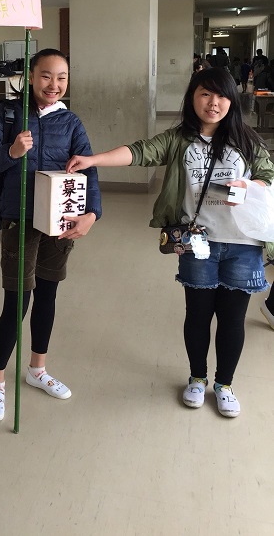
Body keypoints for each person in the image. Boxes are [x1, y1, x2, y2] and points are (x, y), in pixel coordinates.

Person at [66, 67, 274, 418]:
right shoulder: (179, 139)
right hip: (198, 242)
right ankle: (197, 378)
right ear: (192, 97)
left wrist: (249, 186)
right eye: (205, 93)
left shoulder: (246, 139)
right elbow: (140, 152)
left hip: (242, 245)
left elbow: (268, 175)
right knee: (198, 315)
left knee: (232, 319)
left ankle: (224, 385)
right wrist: (93, 160)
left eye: (221, 95)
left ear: (232, 101)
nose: (213, 102)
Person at [0, 48, 102, 422]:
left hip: (59, 221)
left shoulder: (71, 122)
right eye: (46, 75)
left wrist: (92, 213)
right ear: (30, 77)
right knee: (16, 302)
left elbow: (88, 170)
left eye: (62, 77)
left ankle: (37, 369)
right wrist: (12, 152)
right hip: (19, 219)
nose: (54, 84)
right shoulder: (8, 114)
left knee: (48, 295)